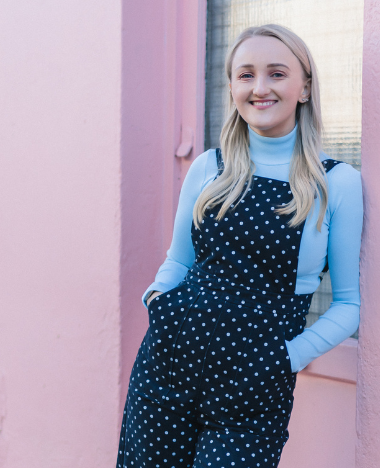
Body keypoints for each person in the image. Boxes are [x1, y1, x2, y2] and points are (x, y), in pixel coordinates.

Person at [117, 24, 363, 468]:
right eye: (246, 75)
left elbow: (347, 304)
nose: (260, 87)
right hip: (168, 365)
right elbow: (179, 259)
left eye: (277, 74)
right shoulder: (209, 166)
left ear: (304, 87)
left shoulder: (336, 184)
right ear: (231, 86)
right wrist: (157, 302)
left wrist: (285, 358)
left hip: (251, 386)